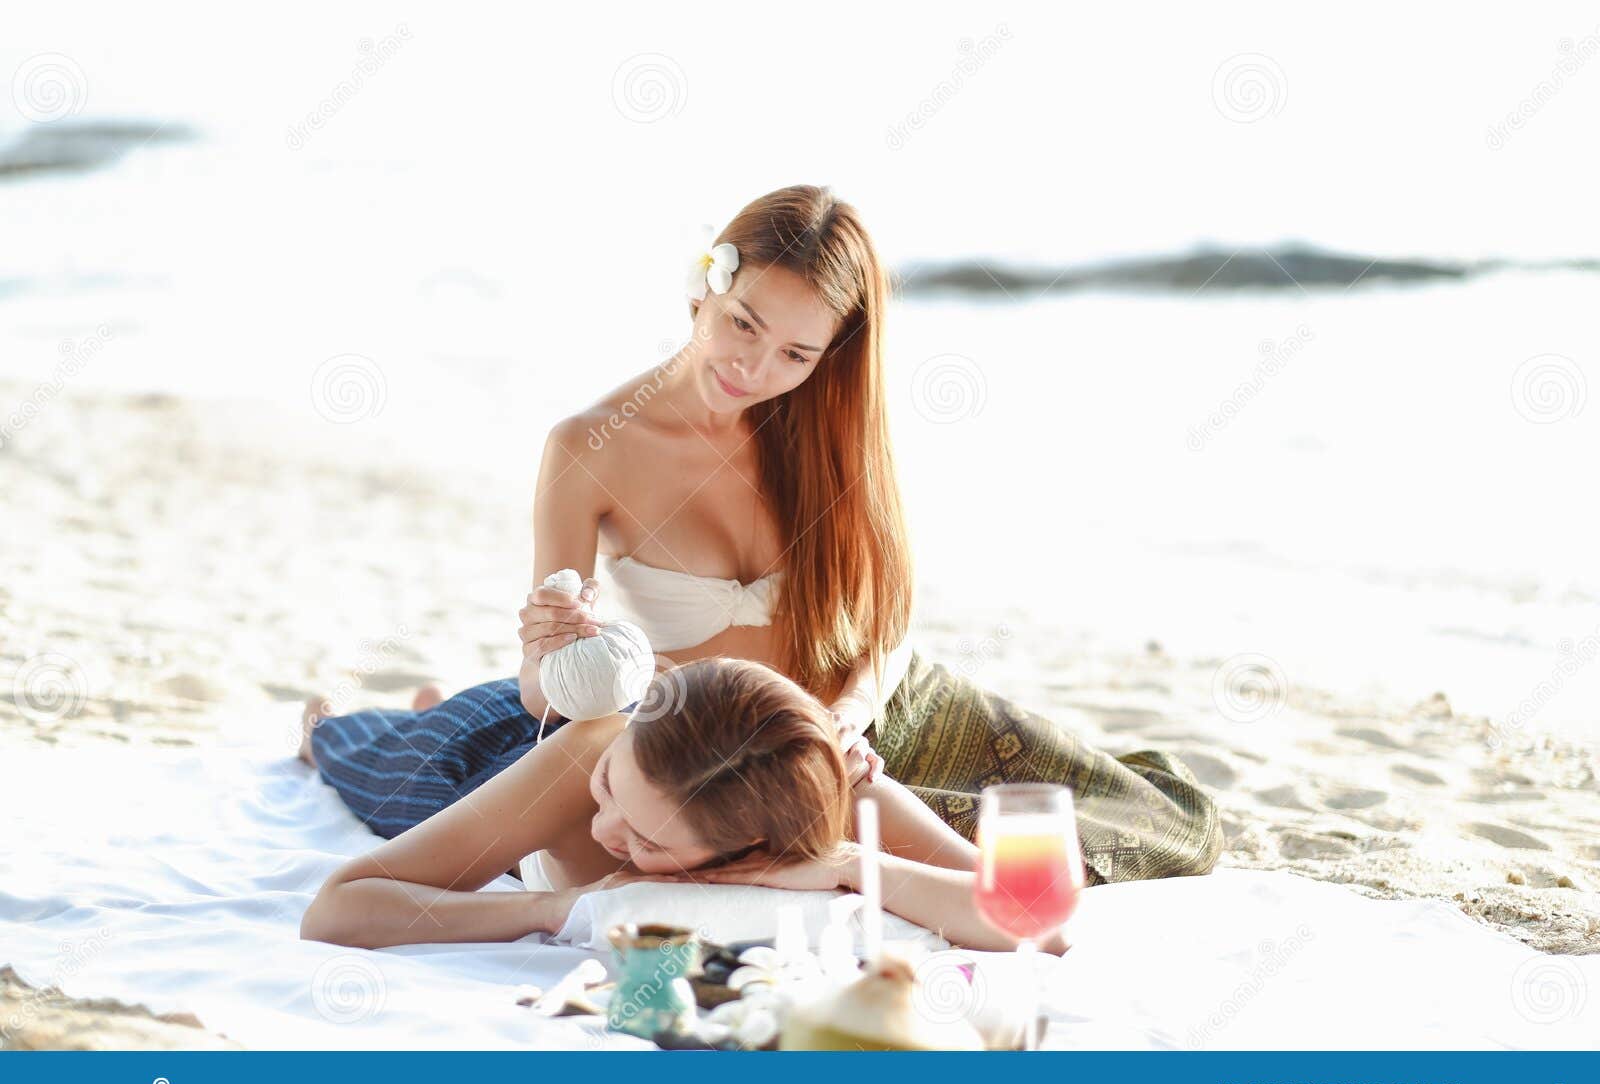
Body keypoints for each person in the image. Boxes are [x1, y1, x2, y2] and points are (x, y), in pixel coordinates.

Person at [302, 182, 1220, 901]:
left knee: (1159, 822)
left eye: (796, 354)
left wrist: (849, 717)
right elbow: (554, 691)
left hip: (866, 712)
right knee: (446, 765)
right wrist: (551, 650)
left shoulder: (827, 434)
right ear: (706, 284)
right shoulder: (589, 446)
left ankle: (433, 706)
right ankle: (379, 721)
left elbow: (885, 621)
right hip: (702, 737)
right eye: (744, 323)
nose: (754, 368)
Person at [299, 658, 1067, 954]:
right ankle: (397, 712)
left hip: (557, 758)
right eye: (611, 794)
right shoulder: (592, 751)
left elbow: (1038, 918)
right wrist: (548, 905)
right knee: (341, 744)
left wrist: (847, 863)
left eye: (645, 842)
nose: (604, 832)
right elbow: (336, 908)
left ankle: (430, 700)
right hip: (496, 761)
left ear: (751, 849)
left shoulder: (834, 792)